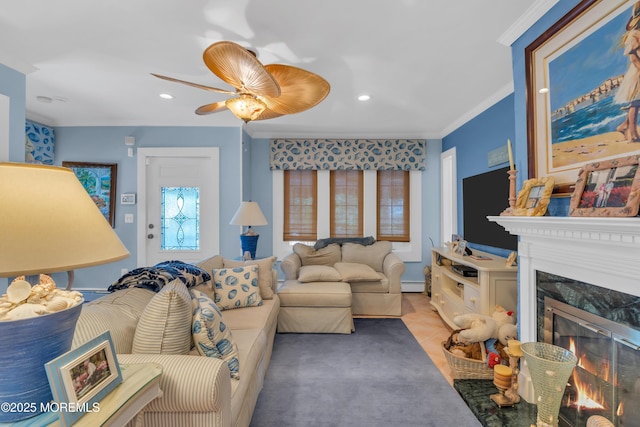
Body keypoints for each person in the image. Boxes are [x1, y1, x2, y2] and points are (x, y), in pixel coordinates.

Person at [615, 2, 640, 142]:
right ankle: (633, 133)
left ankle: (624, 125)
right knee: (636, 103)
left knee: (637, 102)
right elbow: (633, 57)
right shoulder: (634, 34)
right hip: (637, 72)